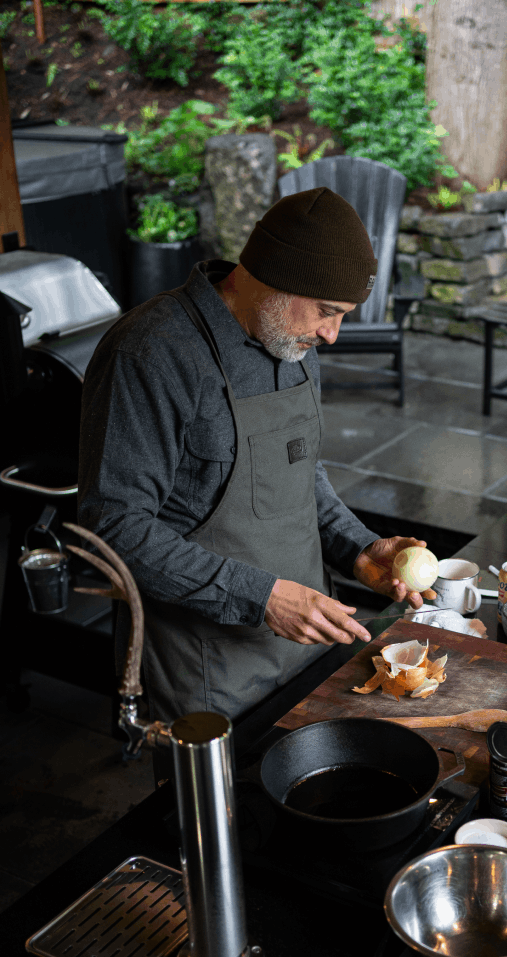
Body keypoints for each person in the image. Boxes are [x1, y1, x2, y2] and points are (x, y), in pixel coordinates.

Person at [78, 187, 431, 724]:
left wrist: (360, 551)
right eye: (327, 312)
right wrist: (262, 597)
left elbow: (299, 475)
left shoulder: (289, 338)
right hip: (206, 671)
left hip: (310, 647)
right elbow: (113, 525)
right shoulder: (151, 350)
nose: (332, 335)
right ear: (269, 277)